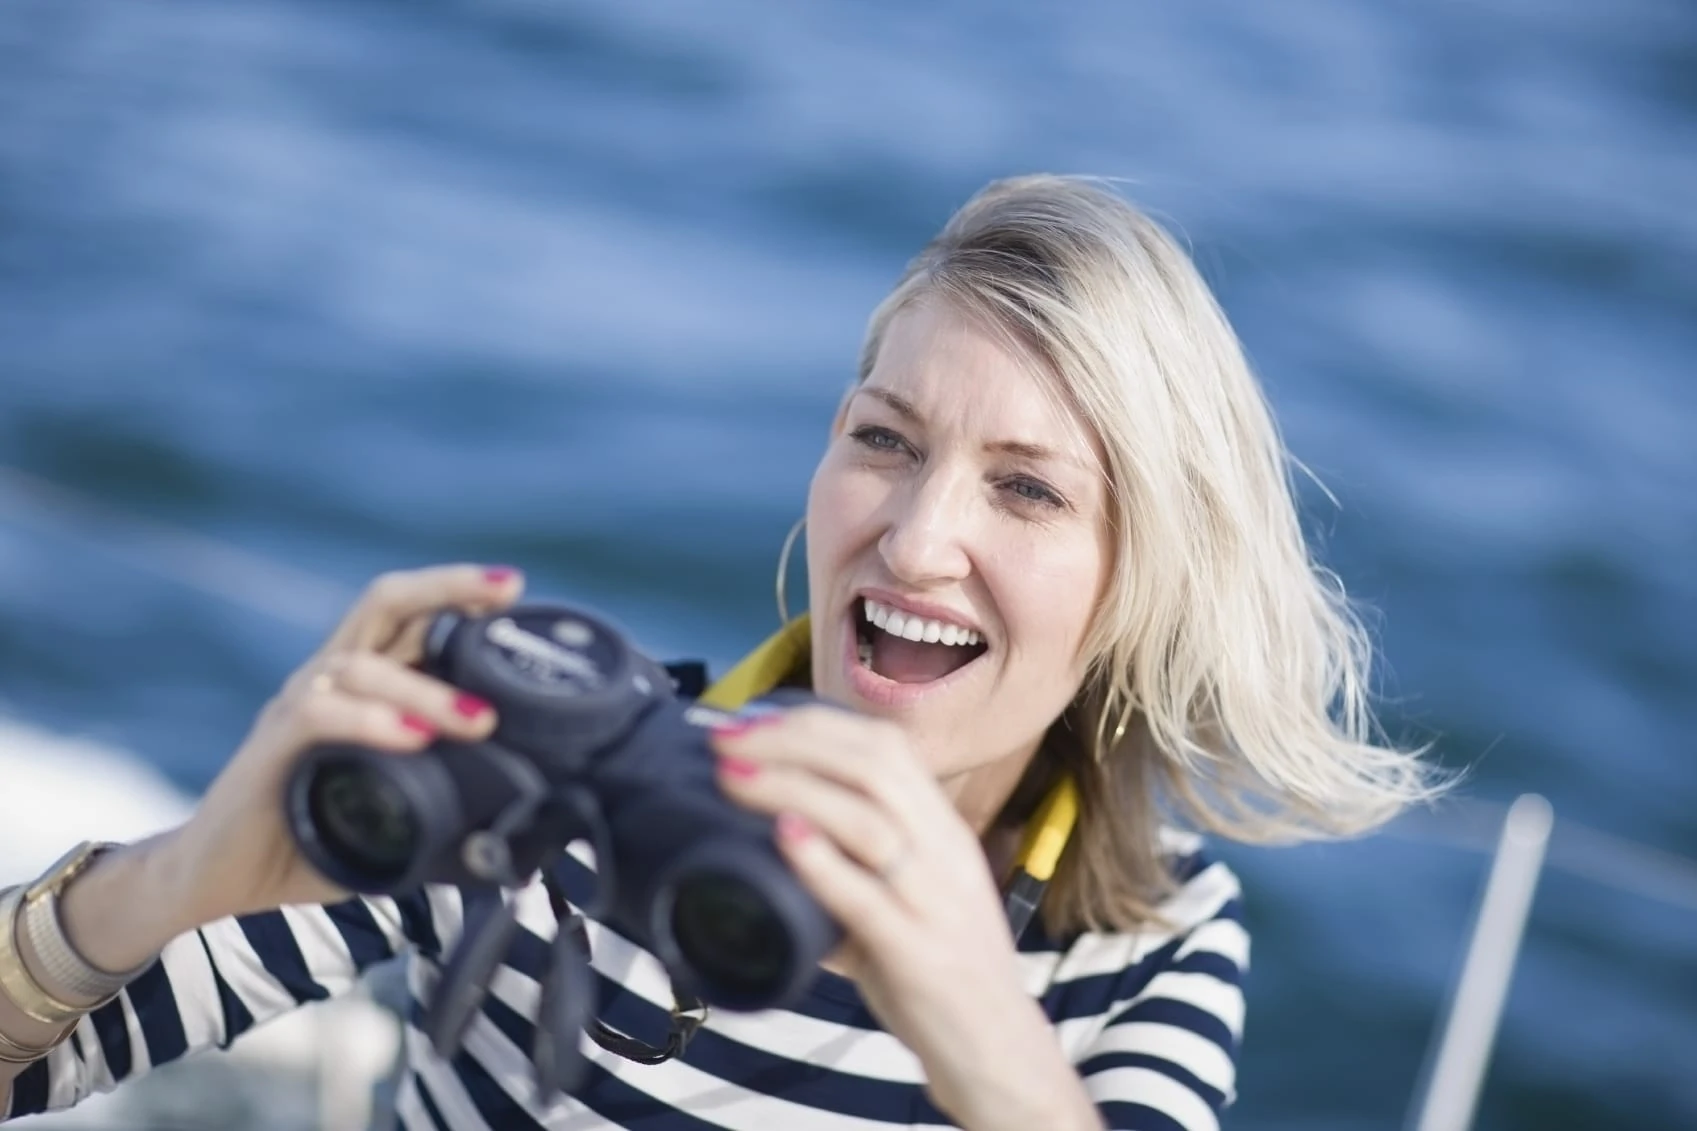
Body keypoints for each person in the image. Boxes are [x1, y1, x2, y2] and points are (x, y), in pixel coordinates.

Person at [0, 174, 1441, 1130]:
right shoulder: (542, 780)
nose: (918, 539)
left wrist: (978, 1027)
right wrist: (172, 879)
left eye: (1029, 487)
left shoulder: (1147, 953)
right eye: (884, 439)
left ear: (1142, 586)